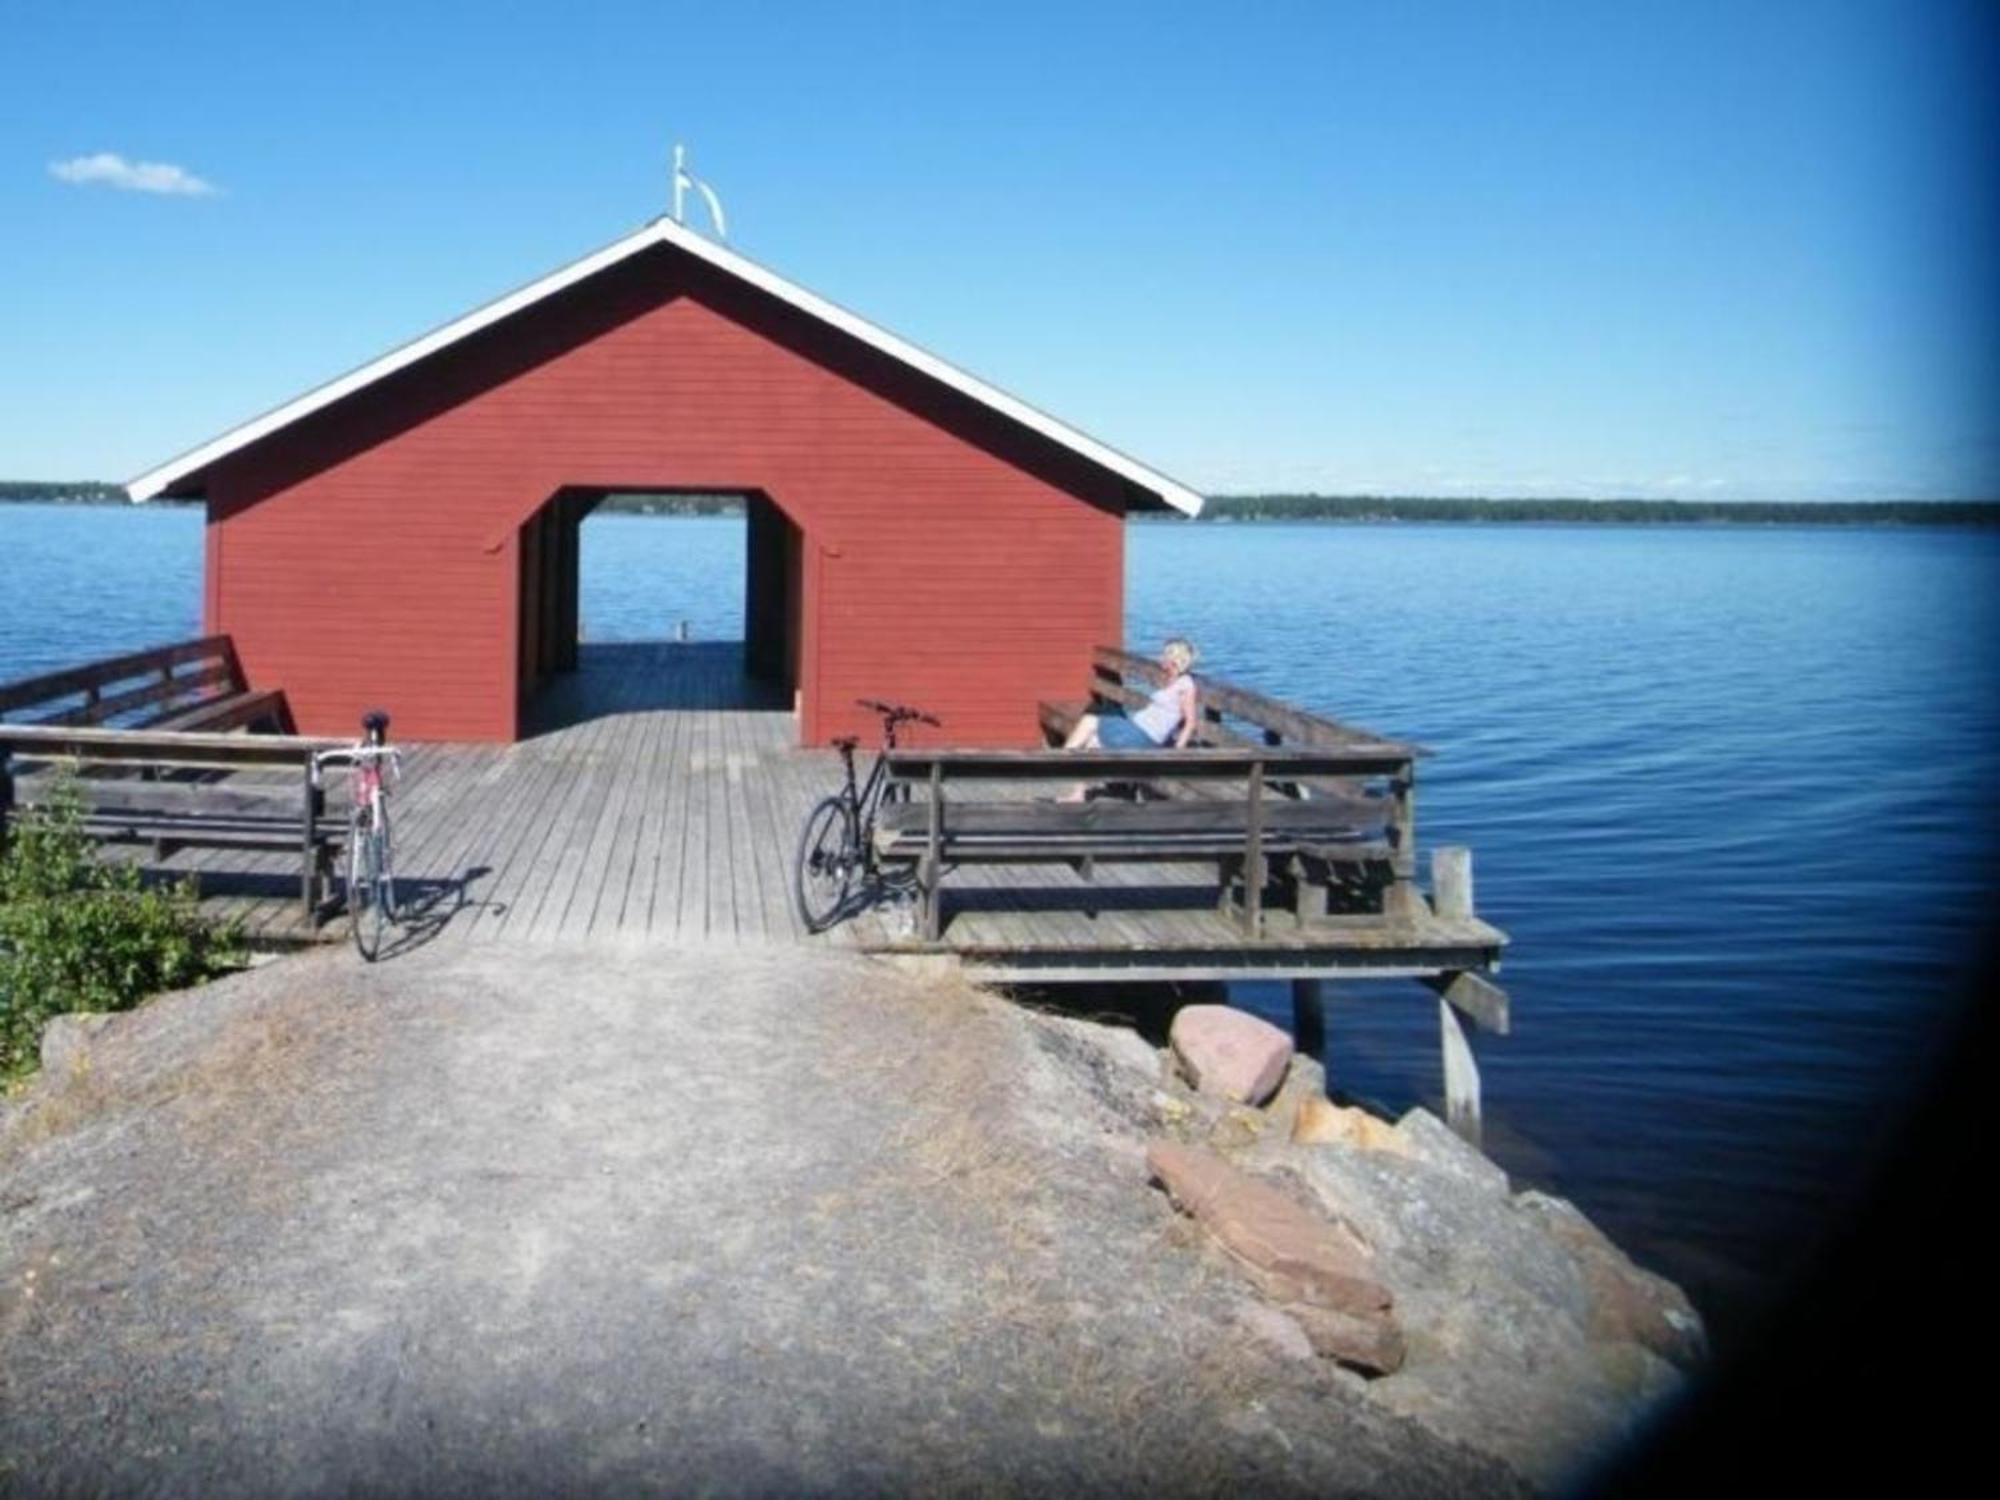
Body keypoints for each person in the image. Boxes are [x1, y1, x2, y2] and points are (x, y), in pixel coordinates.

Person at [1059, 638, 1200, 799]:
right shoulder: (1172, 678)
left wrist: (1176, 754)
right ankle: (1077, 792)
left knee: (1091, 721)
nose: (1160, 658)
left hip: (1142, 736)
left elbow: (1190, 722)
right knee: (1092, 740)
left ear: (1173, 659)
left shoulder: (1186, 685)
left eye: (1164, 655)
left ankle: (1059, 759)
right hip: (1136, 730)